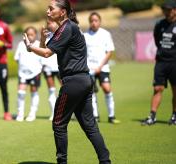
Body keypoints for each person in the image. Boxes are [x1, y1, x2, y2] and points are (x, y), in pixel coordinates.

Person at [23, 0, 111, 163]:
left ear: (62, 12)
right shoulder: (66, 28)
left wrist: (29, 46)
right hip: (84, 81)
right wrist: (42, 39)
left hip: (73, 83)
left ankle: (62, 162)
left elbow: (47, 53)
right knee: (90, 126)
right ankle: (105, 161)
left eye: (51, 9)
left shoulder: (66, 28)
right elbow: (46, 50)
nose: (48, 12)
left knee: (58, 124)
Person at [142, 0, 176, 126]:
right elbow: (157, 40)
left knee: (175, 90)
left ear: (175, 10)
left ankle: (174, 116)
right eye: (164, 10)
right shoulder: (160, 24)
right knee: (157, 88)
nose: (166, 12)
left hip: (174, 62)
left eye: (168, 10)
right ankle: (152, 116)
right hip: (161, 62)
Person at [84, 12, 120, 124]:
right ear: (89, 22)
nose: (94, 23)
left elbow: (109, 52)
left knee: (107, 89)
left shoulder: (105, 34)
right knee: (91, 92)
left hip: (103, 68)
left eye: (96, 20)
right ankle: (95, 116)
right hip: (89, 69)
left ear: (100, 21)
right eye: (92, 21)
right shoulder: (85, 36)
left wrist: (100, 66)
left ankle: (111, 115)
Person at [14, 26, 43, 122]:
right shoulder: (21, 45)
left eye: (32, 34)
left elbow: (43, 58)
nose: (30, 36)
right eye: (28, 34)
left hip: (35, 72)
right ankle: (20, 113)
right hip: (23, 73)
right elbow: (16, 58)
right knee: (20, 92)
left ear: (36, 35)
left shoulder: (39, 44)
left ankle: (32, 113)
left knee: (34, 92)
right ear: (24, 35)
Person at [42, 18, 61, 121]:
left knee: (66, 90)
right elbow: (42, 49)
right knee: (51, 91)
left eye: (51, 23)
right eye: (47, 23)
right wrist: (42, 38)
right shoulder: (46, 35)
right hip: (48, 66)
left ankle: (71, 112)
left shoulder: (62, 33)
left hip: (60, 66)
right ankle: (53, 113)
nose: (49, 25)